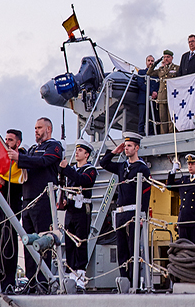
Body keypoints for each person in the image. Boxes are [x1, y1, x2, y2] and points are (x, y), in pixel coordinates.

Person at [8, 117, 63, 292]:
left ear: (48, 129)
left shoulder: (54, 147)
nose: (36, 131)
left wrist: (20, 158)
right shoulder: (32, 149)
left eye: (39, 127)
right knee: (28, 242)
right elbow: (27, 161)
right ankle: (31, 282)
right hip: (28, 201)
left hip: (43, 201)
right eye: (35, 128)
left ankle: (43, 282)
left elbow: (43, 162)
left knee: (42, 242)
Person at [99, 132, 151, 279]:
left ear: (137, 148)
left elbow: (146, 194)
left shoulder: (142, 169)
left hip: (134, 212)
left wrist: (143, 215)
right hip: (121, 213)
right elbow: (104, 164)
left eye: (129, 146)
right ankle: (124, 280)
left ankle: (134, 279)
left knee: (133, 248)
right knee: (121, 248)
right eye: (125, 146)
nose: (126, 148)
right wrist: (114, 152)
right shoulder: (122, 166)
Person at [59, 140, 98, 289]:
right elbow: (64, 184)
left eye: (81, 150)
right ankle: (71, 272)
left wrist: (67, 169)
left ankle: (80, 274)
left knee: (81, 241)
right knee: (69, 242)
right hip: (70, 208)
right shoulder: (72, 169)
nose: (77, 152)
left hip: (82, 208)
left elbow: (83, 181)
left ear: (87, 154)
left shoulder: (90, 170)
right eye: (77, 150)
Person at [0, 129, 24, 293]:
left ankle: (8, 282)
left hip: (11, 205)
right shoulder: (1, 160)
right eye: (5, 140)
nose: (7, 143)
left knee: (9, 243)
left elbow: (20, 183)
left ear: (17, 143)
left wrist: (3, 182)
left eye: (10, 140)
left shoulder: (20, 161)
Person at [147, 50, 179, 134]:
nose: (166, 59)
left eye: (168, 57)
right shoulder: (160, 69)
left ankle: (172, 133)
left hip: (172, 95)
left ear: (172, 58)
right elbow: (149, 72)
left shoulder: (176, 68)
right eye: (164, 57)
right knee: (162, 117)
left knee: (171, 117)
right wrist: (156, 62)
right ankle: (163, 134)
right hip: (162, 96)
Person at [137, 55, 159, 136]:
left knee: (152, 118)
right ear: (146, 62)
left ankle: (151, 133)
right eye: (149, 61)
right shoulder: (141, 72)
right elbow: (140, 84)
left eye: (152, 61)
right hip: (143, 99)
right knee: (142, 117)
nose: (150, 62)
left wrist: (156, 92)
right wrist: (151, 91)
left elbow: (159, 84)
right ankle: (141, 133)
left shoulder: (156, 74)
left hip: (153, 100)